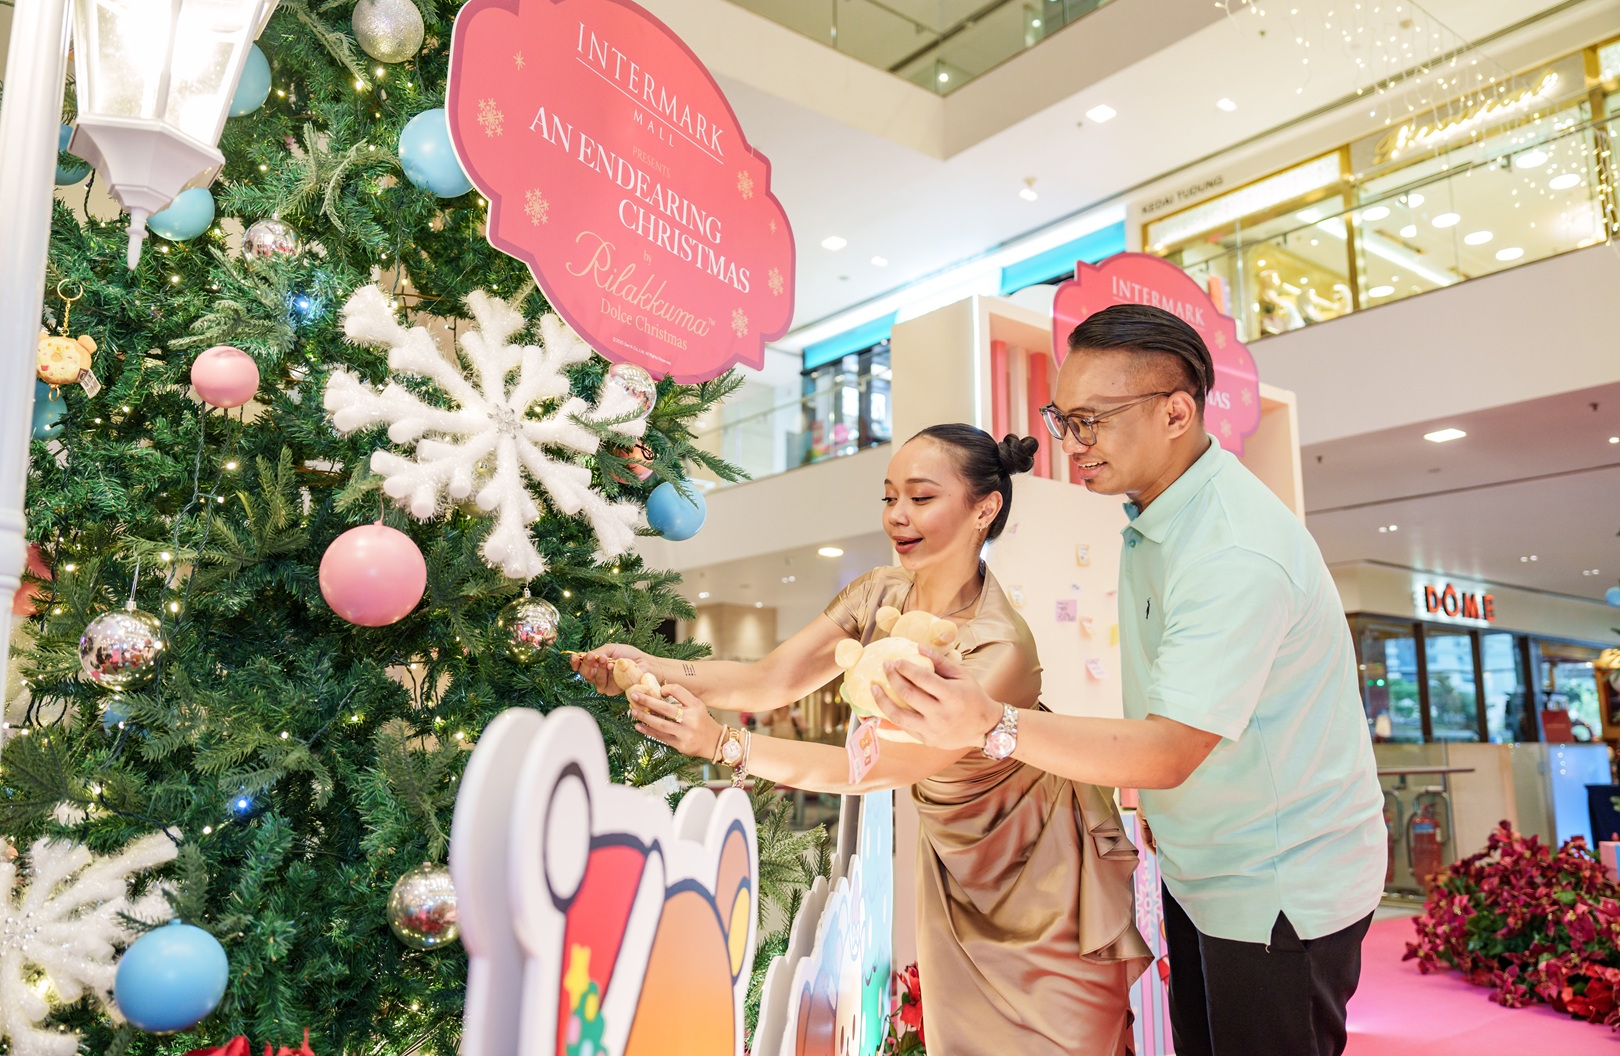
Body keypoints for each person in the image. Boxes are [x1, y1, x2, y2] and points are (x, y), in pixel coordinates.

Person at [874, 304, 1385, 1056]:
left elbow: (1169, 748)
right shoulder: (1158, 515)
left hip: (1277, 883)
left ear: (1177, 412)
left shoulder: (1232, 550)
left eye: (1092, 421)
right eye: (1063, 419)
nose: (1072, 444)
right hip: (1205, 863)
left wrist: (992, 723)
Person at [572, 424, 1150, 1055]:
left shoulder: (998, 646)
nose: (897, 515)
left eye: (920, 498)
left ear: (985, 509)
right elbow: (771, 680)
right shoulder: (880, 591)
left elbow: (877, 767)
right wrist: (652, 667)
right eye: (889, 497)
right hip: (955, 871)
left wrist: (725, 745)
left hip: (1041, 879)